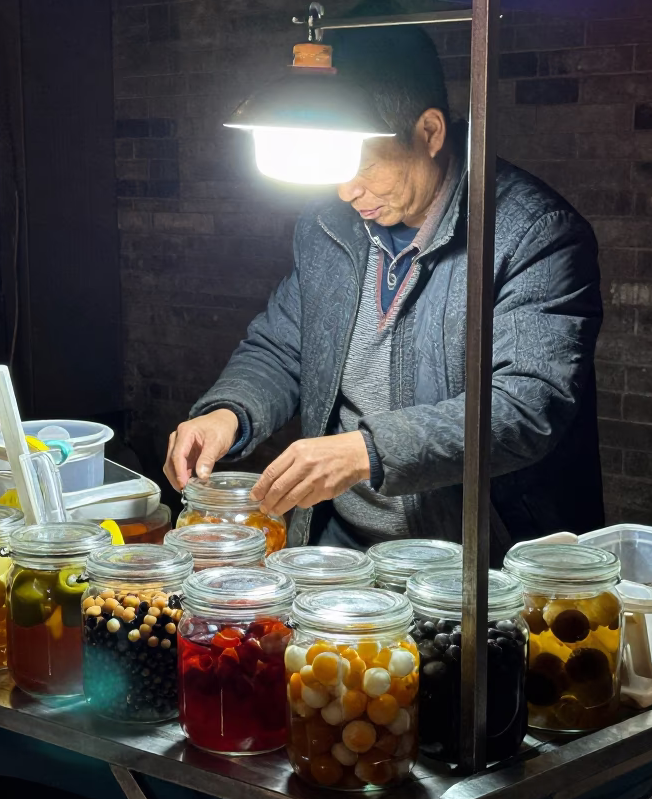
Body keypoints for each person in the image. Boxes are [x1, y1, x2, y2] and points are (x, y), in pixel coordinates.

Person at [163, 27, 604, 561]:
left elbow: (526, 405)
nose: (347, 191)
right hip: (342, 551)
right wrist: (226, 414)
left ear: (429, 132)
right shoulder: (328, 226)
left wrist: (367, 451)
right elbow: (282, 347)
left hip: (480, 561)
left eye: (363, 165)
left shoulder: (531, 233)